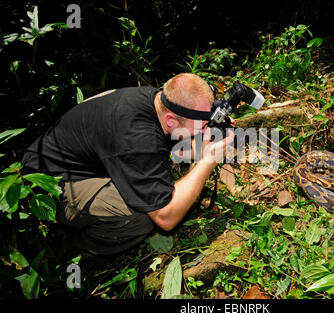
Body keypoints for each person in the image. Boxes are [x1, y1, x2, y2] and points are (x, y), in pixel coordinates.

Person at [21, 73, 235, 255]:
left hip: (83, 159)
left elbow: (174, 140)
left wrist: (204, 138)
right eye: (204, 123)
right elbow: (166, 217)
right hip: (45, 182)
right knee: (140, 218)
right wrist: (208, 160)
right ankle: (68, 248)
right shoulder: (138, 138)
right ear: (171, 120)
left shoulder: (157, 101)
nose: (207, 127)